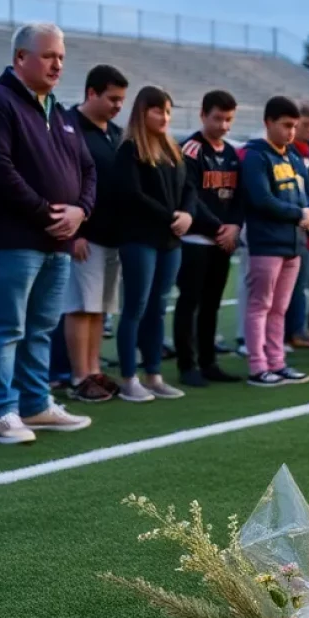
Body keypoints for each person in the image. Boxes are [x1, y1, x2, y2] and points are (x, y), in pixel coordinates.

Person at [0, 24, 94, 444]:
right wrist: (46, 213)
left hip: (56, 241)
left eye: (60, 56)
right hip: (12, 239)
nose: (57, 64)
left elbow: (88, 169)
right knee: (6, 328)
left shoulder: (58, 110)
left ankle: (35, 404)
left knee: (41, 327)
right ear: (21, 58)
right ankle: (0, 411)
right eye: (47, 56)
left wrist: (81, 211)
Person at [113, 86, 193, 403]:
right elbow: (132, 194)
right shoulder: (129, 149)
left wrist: (187, 213)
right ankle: (129, 378)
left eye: (168, 111)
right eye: (158, 110)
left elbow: (190, 188)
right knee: (135, 308)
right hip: (140, 239)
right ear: (142, 112)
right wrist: (170, 215)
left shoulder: (173, 151)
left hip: (170, 240)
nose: (164, 117)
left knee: (158, 309)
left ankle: (154, 374)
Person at [240, 95, 309, 387]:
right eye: (286, 125)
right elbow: (262, 200)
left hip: (293, 244)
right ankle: (257, 366)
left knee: (280, 309)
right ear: (268, 122)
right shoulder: (257, 156)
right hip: (267, 243)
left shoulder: (294, 156)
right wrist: (300, 213)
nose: (291, 132)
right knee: (260, 305)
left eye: (294, 126)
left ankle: (277, 362)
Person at [63, 64, 128, 403]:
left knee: (100, 309)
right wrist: (75, 233)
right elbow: (65, 182)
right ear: (91, 93)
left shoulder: (115, 133)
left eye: (121, 99)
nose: (118, 106)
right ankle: (79, 375)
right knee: (80, 306)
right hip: (85, 234)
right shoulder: (68, 128)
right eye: (112, 98)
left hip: (113, 234)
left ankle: (93, 370)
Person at [174, 90, 243, 388]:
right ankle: (187, 365)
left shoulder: (230, 152)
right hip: (196, 241)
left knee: (212, 303)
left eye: (229, 119)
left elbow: (239, 197)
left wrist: (235, 226)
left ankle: (208, 361)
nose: (224, 126)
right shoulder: (189, 150)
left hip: (222, 241)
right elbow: (190, 196)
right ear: (203, 115)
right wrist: (220, 228)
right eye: (218, 118)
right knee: (189, 303)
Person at [285, 102, 309, 350]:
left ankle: (306, 326)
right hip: (299, 228)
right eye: (305, 125)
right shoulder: (290, 153)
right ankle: (294, 330)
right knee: (298, 284)